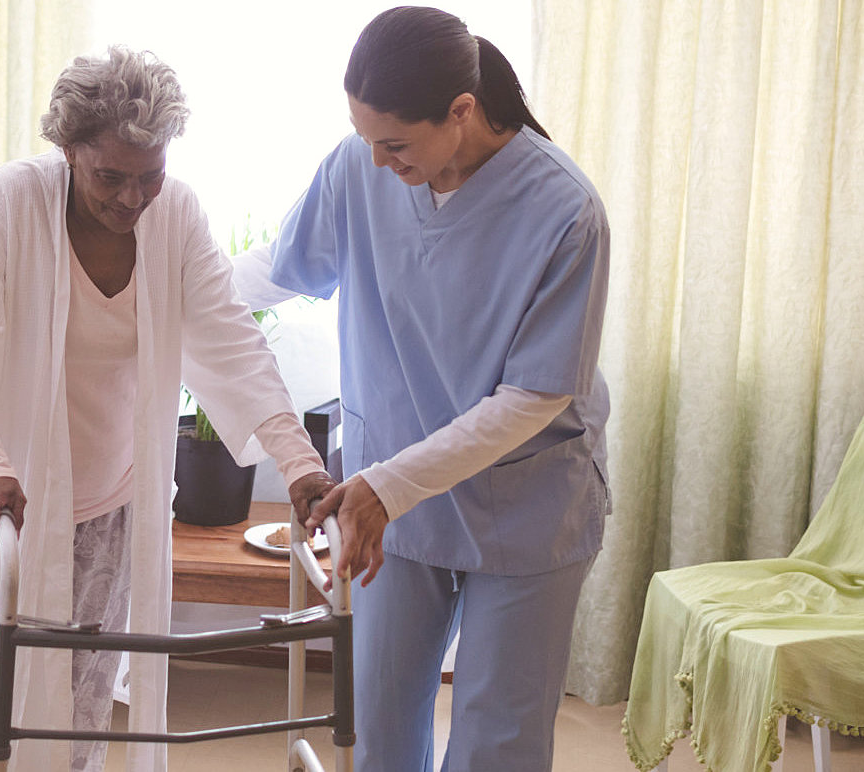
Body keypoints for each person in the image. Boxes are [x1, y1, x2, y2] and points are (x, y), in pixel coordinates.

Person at [0, 46, 334, 772]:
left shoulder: (177, 215)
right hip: (8, 493)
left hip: (113, 498)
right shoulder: (11, 203)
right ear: (68, 150)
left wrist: (300, 464)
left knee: (82, 697)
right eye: (111, 176)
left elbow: (229, 339)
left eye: (150, 177)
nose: (133, 199)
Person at [234, 7, 612, 772]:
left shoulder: (567, 212)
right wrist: (165, 290)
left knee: (495, 740)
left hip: (522, 500)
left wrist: (389, 484)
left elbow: (533, 398)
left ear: (462, 112)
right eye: (366, 137)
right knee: (378, 720)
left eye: (395, 144)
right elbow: (277, 268)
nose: (376, 161)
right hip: (390, 494)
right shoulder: (357, 167)